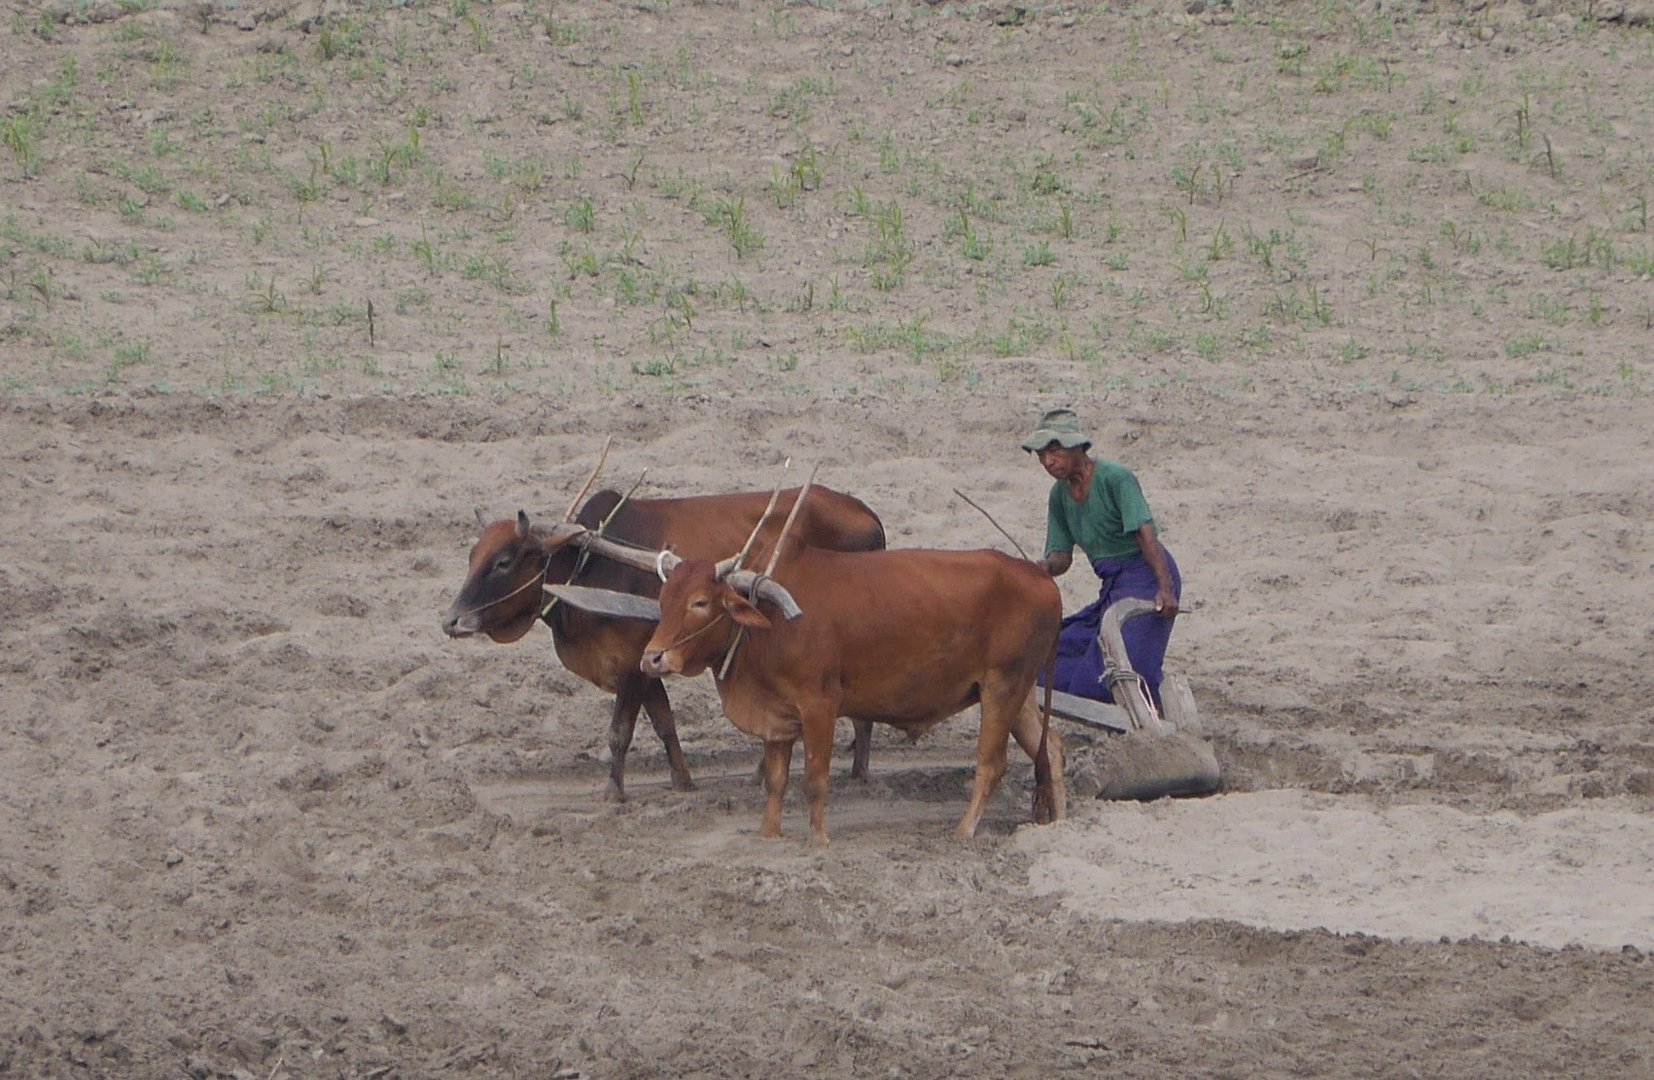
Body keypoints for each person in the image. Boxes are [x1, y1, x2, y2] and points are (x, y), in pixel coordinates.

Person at [1021, 407, 1182, 709]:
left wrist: (1166, 589)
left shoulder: (1115, 479)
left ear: (1078, 447)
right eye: (1041, 455)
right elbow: (1061, 558)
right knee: (1048, 657)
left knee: (1116, 673)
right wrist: (1037, 569)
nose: (1047, 462)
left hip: (1147, 576)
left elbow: (1146, 536)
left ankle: (1153, 710)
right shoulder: (1059, 497)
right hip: (1113, 586)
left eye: (1054, 451)